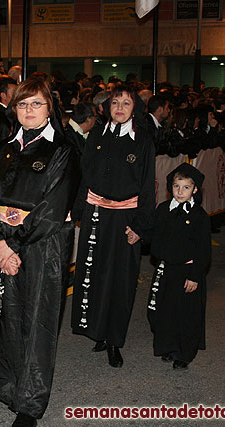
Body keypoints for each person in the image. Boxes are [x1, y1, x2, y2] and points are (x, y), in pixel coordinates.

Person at [0, 77, 79, 427]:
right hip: (7, 245)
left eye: (36, 104)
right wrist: (0, 243)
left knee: (38, 320)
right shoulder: (4, 147)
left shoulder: (62, 149)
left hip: (44, 246)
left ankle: (31, 404)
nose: (29, 110)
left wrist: (12, 245)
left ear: (50, 108)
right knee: (8, 313)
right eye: (22, 104)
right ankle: (6, 384)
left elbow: (52, 207)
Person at [70, 85, 155, 368]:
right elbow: (86, 174)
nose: (119, 107)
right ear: (107, 107)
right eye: (115, 102)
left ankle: (114, 340)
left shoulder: (142, 140)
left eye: (126, 103)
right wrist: (78, 208)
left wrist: (141, 226)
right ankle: (98, 332)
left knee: (120, 280)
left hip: (126, 219)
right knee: (94, 275)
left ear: (135, 109)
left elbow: (147, 186)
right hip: (96, 214)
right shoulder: (96, 134)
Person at [147, 163, 210, 370]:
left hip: (187, 272)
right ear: (170, 187)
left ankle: (184, 353)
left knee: (186, 314)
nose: (180, 192)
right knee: (164, 311)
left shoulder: (199, 216)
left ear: (194, 190)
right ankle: (168, 346)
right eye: (176, 186)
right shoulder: (164, 210)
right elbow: (154, 236)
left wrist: (195, 275)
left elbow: (203, 250)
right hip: (166, 269)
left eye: (185, 187)